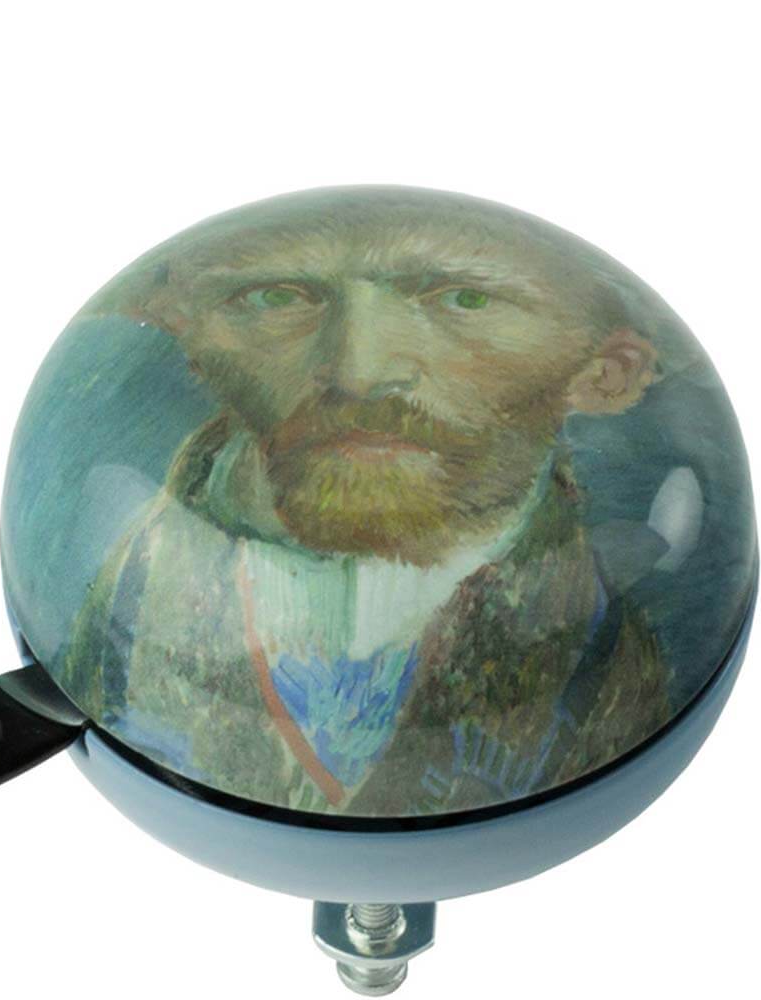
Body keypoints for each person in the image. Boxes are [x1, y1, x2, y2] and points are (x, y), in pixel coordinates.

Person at [62, 189, 673, 816]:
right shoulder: (129, 592)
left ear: (609, 372)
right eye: (276, 297)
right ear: (185, 332)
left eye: (464, 299)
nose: (359, 371)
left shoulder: (610, 641)